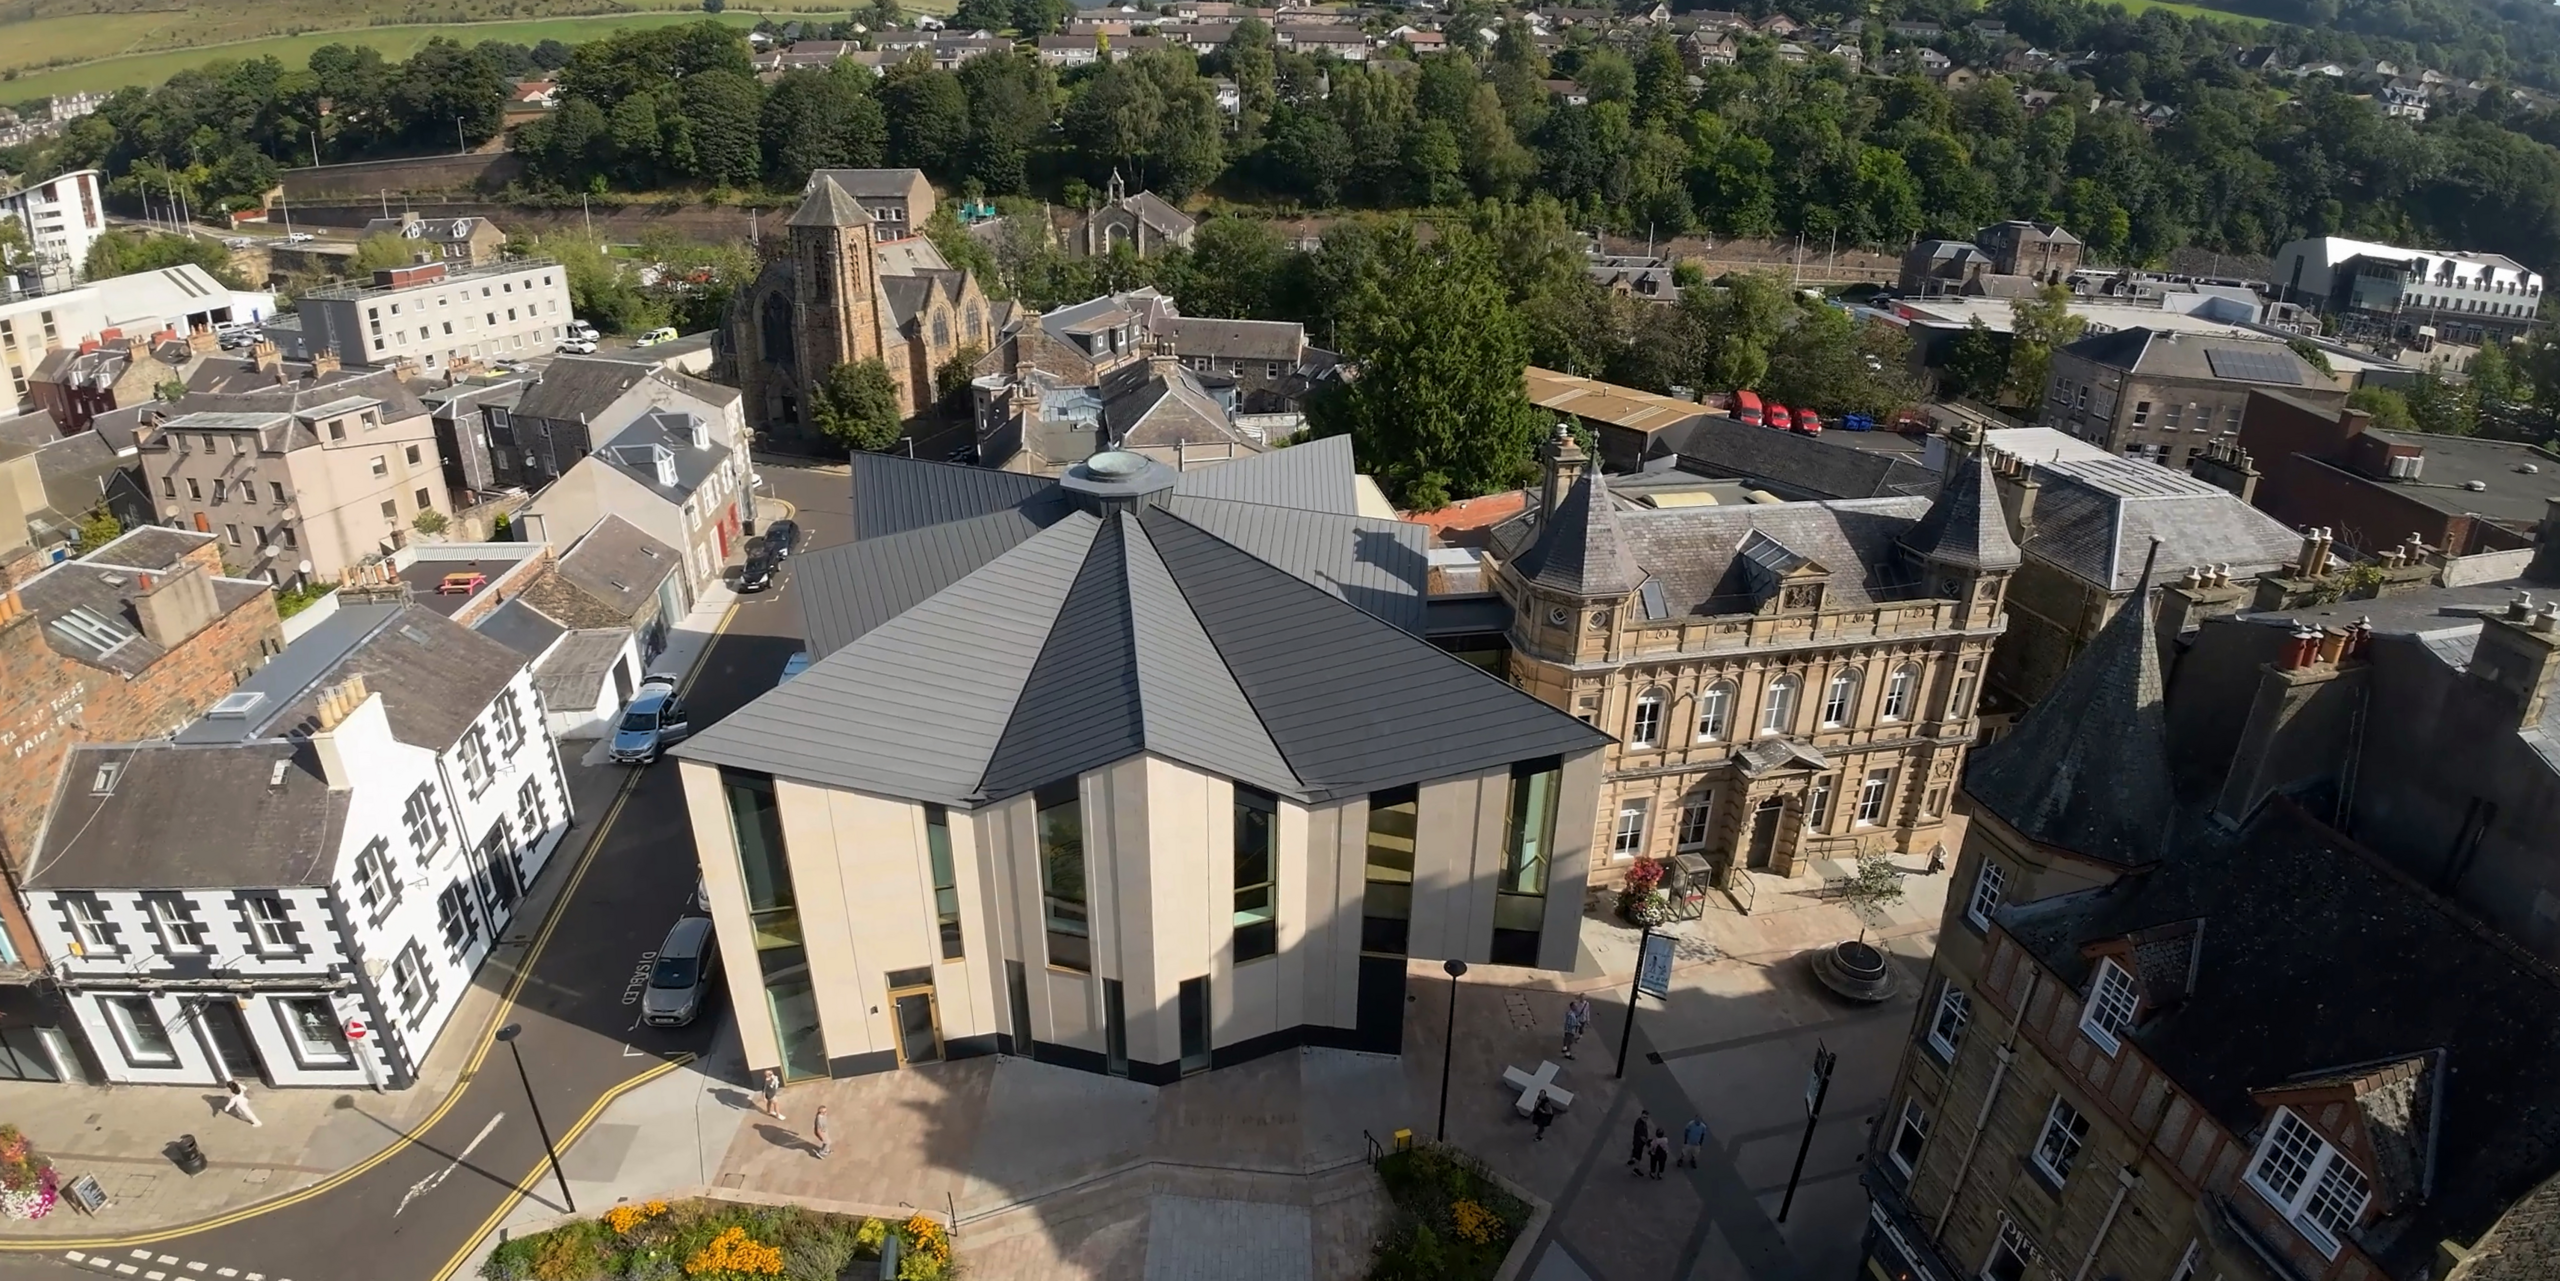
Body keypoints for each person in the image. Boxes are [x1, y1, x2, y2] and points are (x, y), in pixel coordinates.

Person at [1561, 994, 1592, 1059]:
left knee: (1566, 1038)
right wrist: (1577, 1024)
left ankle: (1565, 1048)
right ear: (1572, 1007)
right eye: (1574, 1006)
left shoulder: (1570, 1013)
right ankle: (1567, 1053)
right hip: (1570, 1030)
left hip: (1568, 1029)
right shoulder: (1571, 1015)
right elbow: (1571, 1023)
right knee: (1570, 1041)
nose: (1576, 1007)